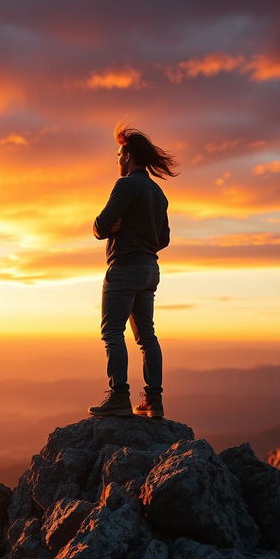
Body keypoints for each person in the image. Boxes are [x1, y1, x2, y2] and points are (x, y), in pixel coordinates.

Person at [88, 122, 178, 418]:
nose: (116, 160)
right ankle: (154, 399)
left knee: (112, 332)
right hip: (150, 269)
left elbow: (101, 225)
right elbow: (163, 238)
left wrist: (113, 228)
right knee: (146, 336)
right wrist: (143, 237)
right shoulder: (157, 192)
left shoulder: (125, 186)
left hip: (124, 267)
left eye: (118, 154)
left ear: (127, 156)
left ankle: (119, 397)